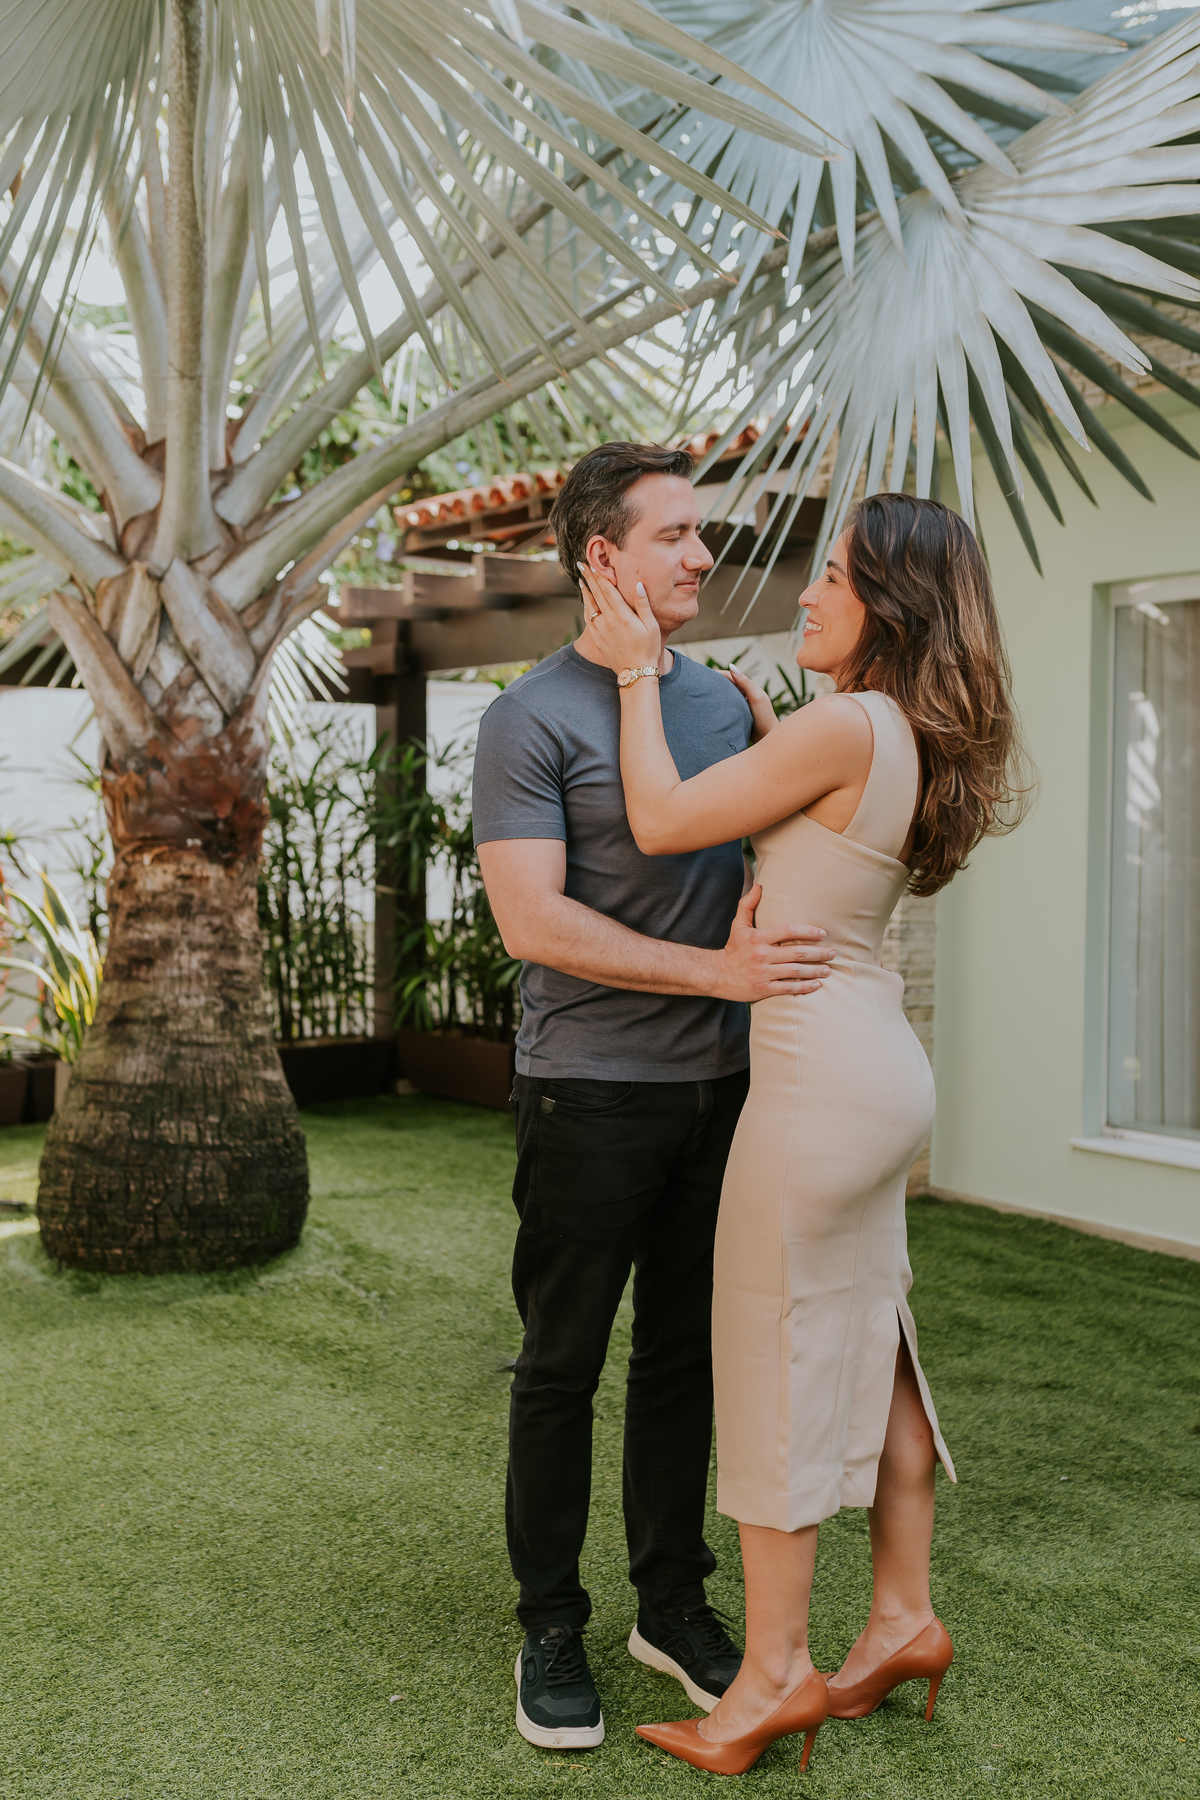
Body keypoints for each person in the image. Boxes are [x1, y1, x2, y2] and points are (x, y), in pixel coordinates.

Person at [579, 491, 1029, 1774]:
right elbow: (824, 828)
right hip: (882, 1072)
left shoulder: (846, 724)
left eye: (830, 576)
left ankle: (772, 1675)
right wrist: (777, 735)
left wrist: (633, 678)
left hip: (817, 1079)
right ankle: (900, 1617)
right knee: (875, 1336)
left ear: (887, 603)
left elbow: (663, 819)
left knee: (776, 1356)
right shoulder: (909, 733)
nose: (804, 596)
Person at [471, 442, 835, 1752]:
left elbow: (767, 857)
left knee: (690, 1357)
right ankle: (552, 1623)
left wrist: (756, 911)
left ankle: (669, 1605)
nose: (703, 555)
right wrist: (719, 969)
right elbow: (532, 921)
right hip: (589, 1095)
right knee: (562, 1365)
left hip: (720, 1098)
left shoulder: (729, 704)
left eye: (704, 534)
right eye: (676, 535)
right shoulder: (528, 719)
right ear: (601, 558)